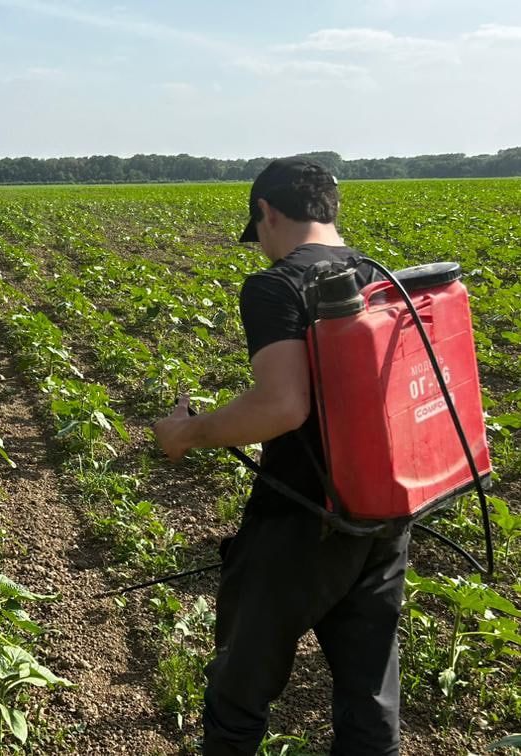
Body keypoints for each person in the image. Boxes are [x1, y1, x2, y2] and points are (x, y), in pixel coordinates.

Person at [152, 157, 411, 756]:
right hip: (380, 512)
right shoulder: (376, 274)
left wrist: (187, 434)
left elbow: (283, 406)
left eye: (259, 230)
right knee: (369, 699)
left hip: (300, 522)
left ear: (267, 212)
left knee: (238, 696)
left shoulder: (278, 284)